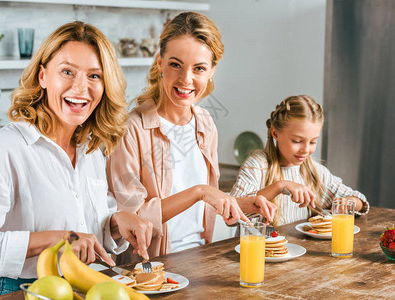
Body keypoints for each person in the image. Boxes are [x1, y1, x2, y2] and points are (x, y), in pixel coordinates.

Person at [0, 21, 153, 299]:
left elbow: (87, 231)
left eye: (95, 75)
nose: (80, 87)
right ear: (43, 76)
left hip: (84, 287)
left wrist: (117, 223)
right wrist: (59, 238)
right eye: (67, 72)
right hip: (18, 291)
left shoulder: (90, 149)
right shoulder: (4, 149)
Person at [107, 12, 276, 264]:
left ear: (211, 72)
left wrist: (240, 203)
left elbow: (203, 204)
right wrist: (199, 191)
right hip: (152, 270)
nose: (186, 79)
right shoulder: (131, 129)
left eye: (199, 68)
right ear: (159, 63)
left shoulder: (205, 123)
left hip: (203, 259)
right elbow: (129, 219)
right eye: (175, 64)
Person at [230, 95, 369, 226]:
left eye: (313, 142)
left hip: (302, 250)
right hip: (259, 251)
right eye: (297, 141)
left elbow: (361, 202)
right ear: (275, 133)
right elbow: (233, 211)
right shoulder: (257, 165)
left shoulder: (314, 170)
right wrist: (280, 186)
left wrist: (350, 202)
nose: (306, 150)